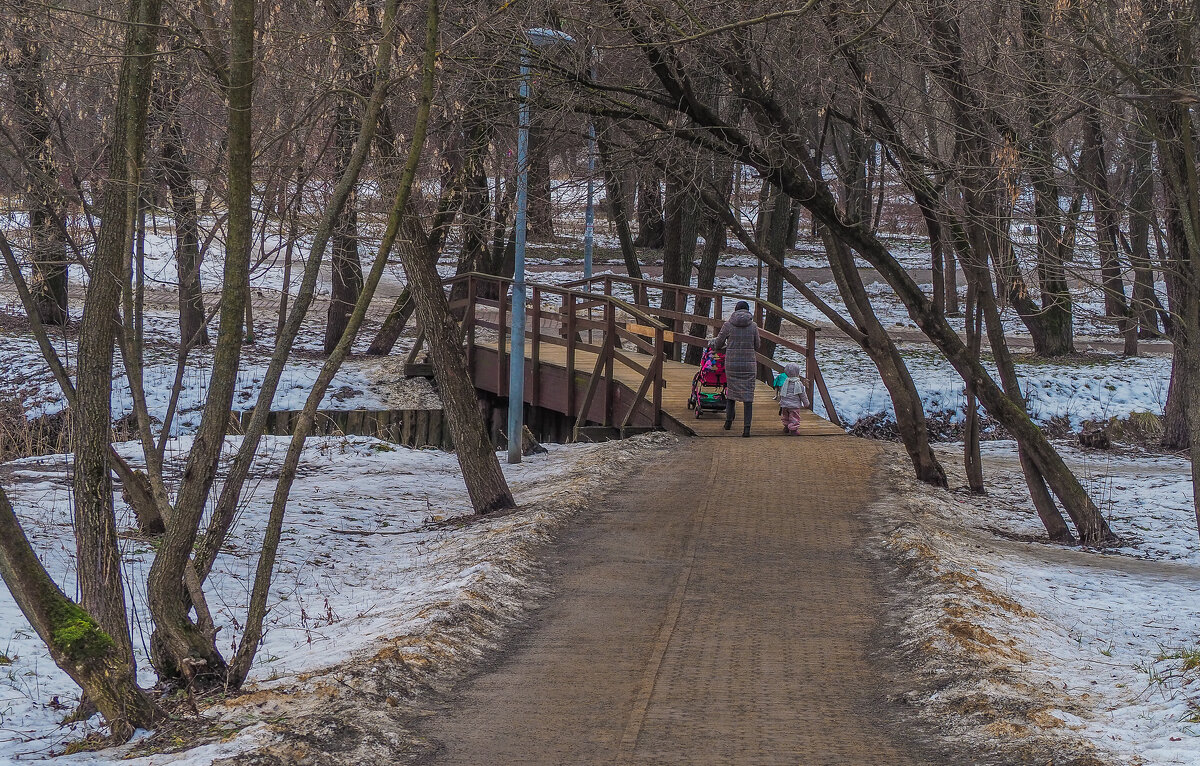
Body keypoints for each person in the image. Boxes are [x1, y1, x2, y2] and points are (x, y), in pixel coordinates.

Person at [711, 300, 761, 437]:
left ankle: (728, 422)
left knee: (731, 392)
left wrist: (713, 344)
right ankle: (746, 428)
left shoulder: (728, 325)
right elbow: (757, 345)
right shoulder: (753, 326)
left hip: (732, 363)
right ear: (748, 311)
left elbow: (718, 343)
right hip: (749, 365)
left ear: (735, 310)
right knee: (748, 396)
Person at [775, 361, 810, 435]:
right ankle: (793, 429)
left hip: (785, 405)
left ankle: (786, 427)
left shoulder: (785, 382)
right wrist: (806, 403)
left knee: (786, 416)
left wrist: (781, 401)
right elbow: (802, 394)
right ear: (797, 373)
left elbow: (782, 393)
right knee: (794, 417)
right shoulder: (798, 383)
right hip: (794, 405)